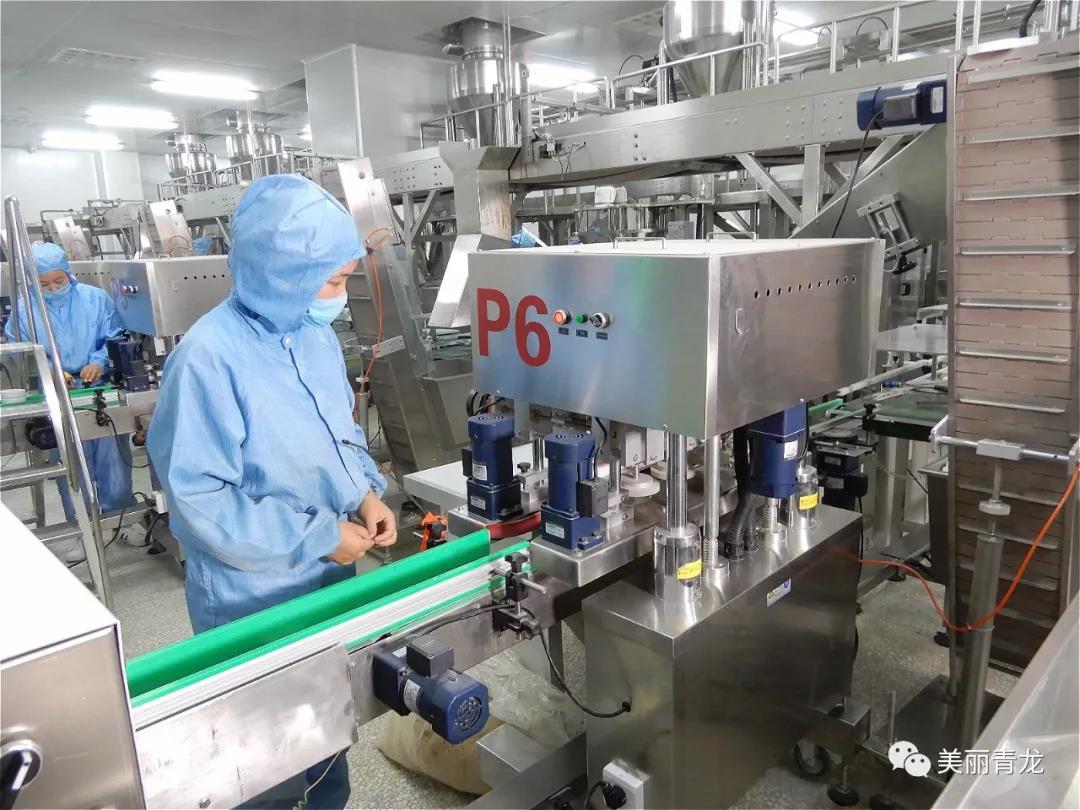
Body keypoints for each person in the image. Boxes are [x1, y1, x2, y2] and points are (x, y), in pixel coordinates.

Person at [147, 174, 396, 809]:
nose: (340, 297)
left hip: (326, 584)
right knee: (262, 760)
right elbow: (201, 504)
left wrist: (364, 494)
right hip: (251, 599)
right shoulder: (207, 358)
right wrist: (318, 536)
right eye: (333, 282)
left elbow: (338, 435)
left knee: (325, 733)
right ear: (283, 274)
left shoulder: (313, 336)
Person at [4, 243, 134, 559]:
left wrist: (98, 362)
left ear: (68, 274)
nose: (52, 289)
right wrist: (51, 369)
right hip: (57, 393)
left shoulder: (95, 299)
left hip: (99, 389)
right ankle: (83, 530)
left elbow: (115, 334)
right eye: (44, 284)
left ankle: (122, 520)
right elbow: (20, 349)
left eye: (58, 281)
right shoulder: (25, 309)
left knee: (113, 462)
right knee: (72, 468)